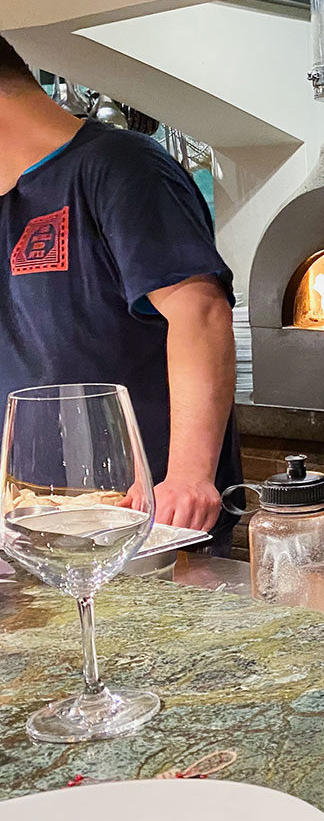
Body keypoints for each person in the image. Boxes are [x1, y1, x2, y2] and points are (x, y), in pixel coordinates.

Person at [0, 34, 239, 545]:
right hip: (26, 520)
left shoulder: (123, 169)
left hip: (138, 522)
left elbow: (199, 313)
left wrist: (189, 478)